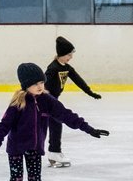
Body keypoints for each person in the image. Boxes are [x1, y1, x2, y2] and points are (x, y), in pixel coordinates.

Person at [44, 36, 102, 168]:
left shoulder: (67, 68)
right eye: (69, 54)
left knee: (56, 125)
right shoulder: (53, 68)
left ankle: (54, 152)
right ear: (62, 54)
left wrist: (90, 92)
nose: (71, 57)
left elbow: (78, 80)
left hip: (54, 99)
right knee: (53, 125)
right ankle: (52, 152)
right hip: (48, 100)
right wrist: (44, 93)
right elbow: (44, 80)